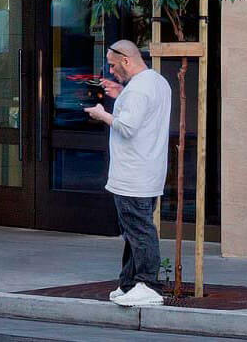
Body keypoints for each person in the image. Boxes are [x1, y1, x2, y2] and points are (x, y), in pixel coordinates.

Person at [83, 40, 172, 308]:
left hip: (132, 174)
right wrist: (120, 94)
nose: (110, 71)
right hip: (149, 171)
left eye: (112, 64)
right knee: (135, 229)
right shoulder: (157, 82)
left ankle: (148, 284)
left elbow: (127, 126)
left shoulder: (137, 91)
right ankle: (130, 283)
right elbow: (141, 116)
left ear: (126, 60)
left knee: (139, 229)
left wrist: (101, 114)